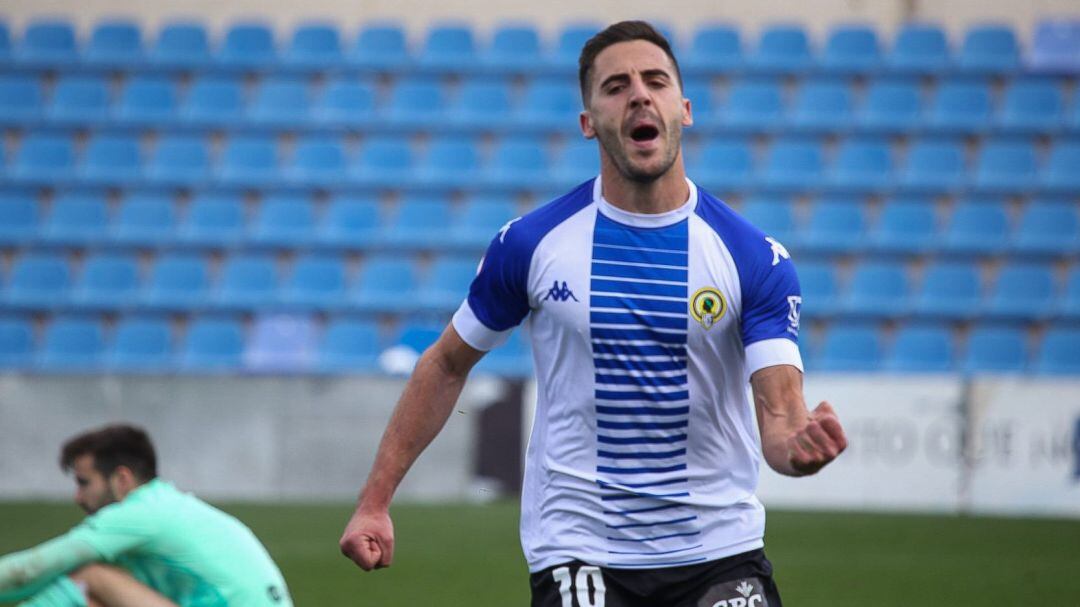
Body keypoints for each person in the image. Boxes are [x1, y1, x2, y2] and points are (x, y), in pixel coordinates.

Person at [340, 20, 848, 606]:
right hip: (579, 554)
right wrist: (375, 501)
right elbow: (447, 364)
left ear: (683, 109)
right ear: (589, 123)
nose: (639, 94)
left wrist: (801, 451)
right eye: (616, 86)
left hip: (720, 552)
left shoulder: (753, 258)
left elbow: (781, 422)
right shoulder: (532, 244)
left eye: (655, 81)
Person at [0, 424, 293, 607]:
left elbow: (29, 570)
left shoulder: (137, 516)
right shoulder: (167, 505)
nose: (78, 496)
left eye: (84, 482)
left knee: (92, 576)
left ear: (121, 479)